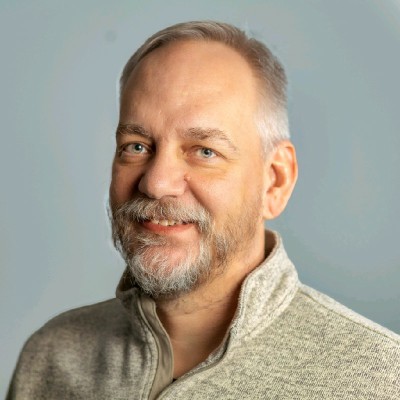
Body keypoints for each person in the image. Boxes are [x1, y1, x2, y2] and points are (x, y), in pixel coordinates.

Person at [7, 21, 400, 400]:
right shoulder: (51, 358)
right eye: (137, 146)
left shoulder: (380, 381)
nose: (156, 183)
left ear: (275, 181)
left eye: (205, 151)